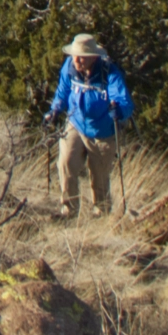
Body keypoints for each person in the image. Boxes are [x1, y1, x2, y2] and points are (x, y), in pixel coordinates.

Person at [45, 33, 134, 218]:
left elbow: (124, 101)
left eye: (82, 57)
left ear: (94, 57)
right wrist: (54, 110)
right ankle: (68, 212)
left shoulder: (109, 72)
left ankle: (101, 214)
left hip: (103, 132)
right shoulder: (69, 67)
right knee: (66, 164)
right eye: (75, 55)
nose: (77, 60)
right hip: (75, 124)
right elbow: (62, 92)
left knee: (99, 176)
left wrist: (118, 111)